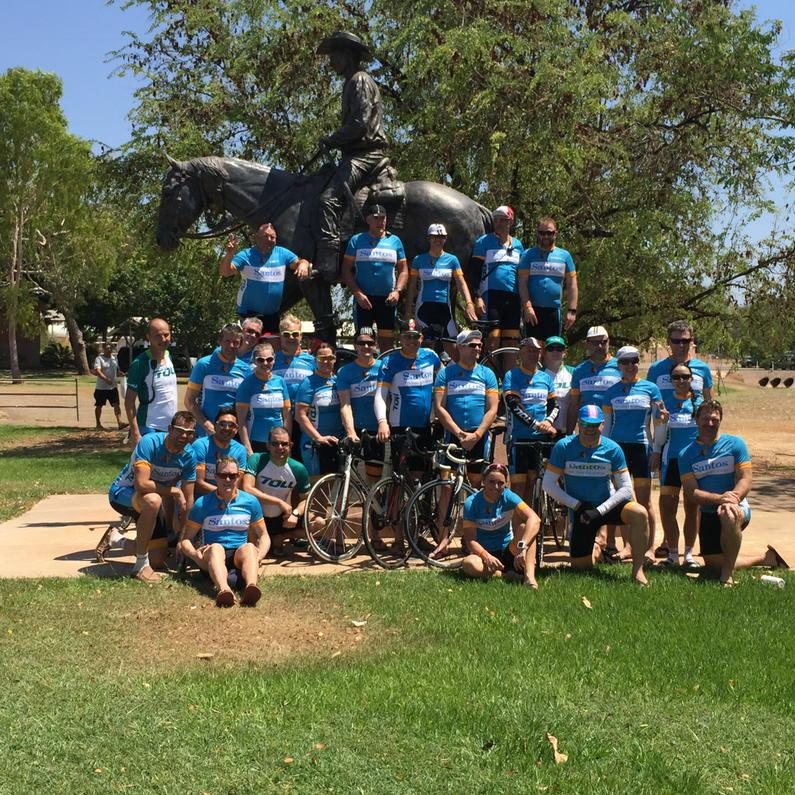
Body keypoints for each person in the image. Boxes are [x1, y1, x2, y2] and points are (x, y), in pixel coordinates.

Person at [679, 401, 788, 585]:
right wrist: (720, 499)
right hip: (708, 511)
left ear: (720, 420)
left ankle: (727, 576)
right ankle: (766, 558)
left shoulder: (735, 444)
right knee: (713, 566)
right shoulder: (685, 454)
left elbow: (746, 479)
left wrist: (732, 499)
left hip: (737, 505)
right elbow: (692, 492)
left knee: (728, 514)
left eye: (715, 419)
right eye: (705, 419)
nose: (710, 423)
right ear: (696, 420)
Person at [543, 405, 650, 585]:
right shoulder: (564, 447)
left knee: (640, 513)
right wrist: (577, 505)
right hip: (582, 512)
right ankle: (596, 549)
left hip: (607, 506)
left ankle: (638, 571)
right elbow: (548, 484)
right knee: (581, 570)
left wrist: (599, 510)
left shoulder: (613, 449)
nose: (589, 429)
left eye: (595, 425)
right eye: (585, 424)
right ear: (578, 424)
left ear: (602, 425)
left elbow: (626, 488)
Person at [315, 31, 389, 286]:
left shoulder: (359, 80)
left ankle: (327, 265)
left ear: (347, 56)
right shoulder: (351, 83)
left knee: (328, 199)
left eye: (334, 55)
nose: (331, 62)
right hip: (356, 153)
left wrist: (331, 139)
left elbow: (359, 124)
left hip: (365, 155)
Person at [97, 411, 197, 583]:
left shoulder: (189, 456)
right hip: (122, 493)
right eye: (180, 430)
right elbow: (141, 485)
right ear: (170, 429)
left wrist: (183, 540)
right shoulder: (149, 442)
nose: (184, 436)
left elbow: (189, 501)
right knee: (153, 500)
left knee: (157, 560)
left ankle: (115, 538)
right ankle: (141, 566)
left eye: (189, 433)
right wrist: (174, 491)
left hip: (152, 503)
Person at [601, 345, 664, 563]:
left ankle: (649, 548)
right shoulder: (611, 392)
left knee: (645, 501)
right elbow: (606, 426)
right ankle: (622, 546)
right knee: (619, 499)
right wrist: (606, 452)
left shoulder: (651, 388)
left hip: (642, 448)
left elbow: (659, 422)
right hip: (617, 450)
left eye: (634, 361)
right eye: (625, 362)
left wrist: (657, 450)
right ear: (618, 365)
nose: (630, 366)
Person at [180, 456, 268, 607]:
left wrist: (259, 555)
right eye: (223, 475)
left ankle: (251, 587)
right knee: (216, 548)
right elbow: (186, 539)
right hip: (213, 556)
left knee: (249, 547)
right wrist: (195, 555)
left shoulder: (250, 502)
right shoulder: (202, 503)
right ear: (215, 477)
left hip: (239, 556)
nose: (227, 479)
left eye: (232, 476)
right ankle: (224, 591)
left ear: (238, 477)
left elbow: (264, 535)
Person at [650, 362, 702, 568]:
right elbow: (660, 437)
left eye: (685, 377)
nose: (681, 381)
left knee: (692, 506)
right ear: (670, 381)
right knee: (667, 505)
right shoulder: (665, 404)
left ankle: (688, 555)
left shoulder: (700, 404)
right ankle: (672, 555)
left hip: (693, 462)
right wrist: (663, 423)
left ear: (691, 379)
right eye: (676, 377)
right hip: (670, 460)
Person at [375, 318, 442, 475]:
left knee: (421, 475)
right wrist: (382, 422)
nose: (411, 340)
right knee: (401, 476)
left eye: (415, 336)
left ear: (421, 338)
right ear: (400, 338)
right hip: (400, 426)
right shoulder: (390, 362)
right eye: (407, 336)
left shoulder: (431, 356)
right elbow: (380, 396)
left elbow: (444, 383)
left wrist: (440, 411)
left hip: (424, 426)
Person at [433, 329, 499, 486]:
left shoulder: (487, 374)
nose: (477, 348)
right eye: (472, 345)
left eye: (479, 345)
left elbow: (493, 409)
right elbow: (439, 407)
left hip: (478, 435)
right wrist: (459, 434)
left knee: (475, 484)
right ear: (460, 347)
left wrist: (476, 435)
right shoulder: (445, 374)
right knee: (447, 485)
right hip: (453, 435)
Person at [461, 463, 542, 589]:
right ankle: (502, 574)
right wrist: (486, 556)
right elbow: (470, 541)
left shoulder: (508, 496)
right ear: (483, 482)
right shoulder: (471, 503)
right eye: (491, 482)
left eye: (500, 483)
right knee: (468, 564)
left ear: (506, 484)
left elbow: (535, 519)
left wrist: (522, 547)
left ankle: (529, 578)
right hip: (484, 554)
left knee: (526, 529)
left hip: (508, 550)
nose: (496, 487)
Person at [219, 225, 310, 335]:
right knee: (251, 344)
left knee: (272, 345)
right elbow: (225, 272)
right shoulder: (246, 255)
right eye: (265, 236)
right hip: (249, 315)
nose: (269, 240)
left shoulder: (282, 253)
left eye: (272, 237)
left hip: (272, 315)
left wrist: (304, 264)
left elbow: (299, 262)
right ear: (257, 238)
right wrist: (229, 254)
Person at [341, 205, 408, 351]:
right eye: (376, 218)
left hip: (387, 300)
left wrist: (397, 291)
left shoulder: (395, 241)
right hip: (364, 300)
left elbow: (404, 270)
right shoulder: (357, 240)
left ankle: (385, 365)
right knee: (364, 341)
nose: (380, 222)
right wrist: (357, 294)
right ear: (368, 220)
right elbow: (346, 270)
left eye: (383, 218)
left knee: (387, 343)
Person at [406, 223, 477, 357]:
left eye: (442, 237)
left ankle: (458, 370)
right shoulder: (419, 260)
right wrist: (408, 312)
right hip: (424, 308)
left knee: (452, 346)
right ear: (429, 238)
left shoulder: (452, 260)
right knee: (427, 346)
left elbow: (461, 283)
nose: (438, 240)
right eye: (435, 237)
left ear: (445, 239)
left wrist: (469, 303)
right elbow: (411, 287)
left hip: (444, 308)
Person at [243, 425, 314, 556]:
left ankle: (280, 538)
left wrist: (296, 514)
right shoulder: (257, 459)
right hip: (257, 519)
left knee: (319, 523)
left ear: (290, 446)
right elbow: (247, 488)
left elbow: (306, 499)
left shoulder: (298, 468)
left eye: (284, 444)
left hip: (281, 520)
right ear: (268, 445)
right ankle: (256, 549)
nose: (280, 447)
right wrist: (279, 502)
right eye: (275, 444)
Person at [502, 336, 558, 502]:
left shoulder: (546, 378)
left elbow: (554, 406)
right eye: (529, 350)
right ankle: (516, 519)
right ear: (520, 352)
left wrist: (548, 422)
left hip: (540, 439)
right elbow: (513, 405)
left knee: (532, 483)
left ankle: (531, 517)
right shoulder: (512, 375)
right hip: (518, 438)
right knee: (518, 486)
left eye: (536, 351)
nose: (533, 354)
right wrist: (536, 425)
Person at [471, 206, 524, 354]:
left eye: (503, 220)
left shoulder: (518, 245)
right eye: (496, 220)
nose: (498, 223)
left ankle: (508, 370)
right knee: (492, 340)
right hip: (491, 296)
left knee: (511, 342)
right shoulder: (483, 242)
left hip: (513, 297)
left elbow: (522, 274)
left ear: (510, 222)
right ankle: (489, 369)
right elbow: (474, 272)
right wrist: (477, 297)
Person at [337, 325, 384, 482]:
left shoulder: (383, 368)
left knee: (374, 480)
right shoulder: (345, 372)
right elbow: (345, 404)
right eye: (361, 343)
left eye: (370, 343)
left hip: (377, 430)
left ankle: (373, 499)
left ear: (375, 345)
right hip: (355, 430)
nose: (366, 346)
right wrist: (351, 432)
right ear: (355, 345)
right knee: (347, 479)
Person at [185, 323, 249, 438]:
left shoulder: (245, 369)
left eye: (235, 342)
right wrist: (206, 424)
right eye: (227, 341)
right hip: (206, 432)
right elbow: (189, 401)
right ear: (219, 341)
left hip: (232, 432)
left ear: (240, 344)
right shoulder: (203, 364)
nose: (231, 345)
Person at [518, 217, 578, 340]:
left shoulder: (565, 256)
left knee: (553, 348)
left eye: (549, 233)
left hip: (554, 310)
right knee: (532, 347)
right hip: (533, 310)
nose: (545, 236)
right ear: (537, 233)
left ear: (555, 234)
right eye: (542, 233)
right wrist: (527, 307)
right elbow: (522, 284)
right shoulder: (528, 255)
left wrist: (572, 310)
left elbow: (572, 284)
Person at [125, 318, 178, 446]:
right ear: (148, 337)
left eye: (166, 334)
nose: (163, 339)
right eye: (158, 336)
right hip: (148, 427)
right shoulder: (140, 363)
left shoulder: (168, 356)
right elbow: (129, 401)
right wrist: (135, 433)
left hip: (170, 427)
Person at [295, 342, 344, 479]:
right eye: (322, 358)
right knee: (317, 484)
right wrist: (318, 438)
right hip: (315, 443)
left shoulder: (338, 381)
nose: (326, 361)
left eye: (330, 358)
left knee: (335, 483)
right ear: (315, 360)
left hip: (336, 440)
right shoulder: (308, 383)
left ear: (335, 359)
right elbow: (300, 415)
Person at [272, 314, 317, 459]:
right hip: (280, 418)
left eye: (295, 334)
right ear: (280, 337)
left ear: (301, 336)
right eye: (286, 334)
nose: (291, 337)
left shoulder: (312, 361)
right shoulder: (272, 360)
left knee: (304, 461)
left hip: (306, 419)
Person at [236, 342, 291, 455]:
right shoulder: (247, 384)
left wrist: (287, 443)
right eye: (260, 360)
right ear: (254, 361)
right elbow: (241, 421)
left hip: (278, 443)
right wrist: (248, 448)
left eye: (269, 359)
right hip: (256, 442)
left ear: (274, 359)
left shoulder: (280, 381)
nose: (265, 363)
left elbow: (287, 415)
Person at [565, 325, 621, 433]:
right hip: (587, 428)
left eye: (603, 342)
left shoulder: (620, 366)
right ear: (587, 344)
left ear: (609, 342)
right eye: (595, 343)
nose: (599, 346)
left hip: (614, 429)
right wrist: (569, 433)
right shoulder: (579, 371)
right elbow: (574, 405)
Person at [647, 320, 714, 403]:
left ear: (691, 340)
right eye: (676, 341)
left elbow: (709, 403)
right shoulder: (656, 368)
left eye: (685, 341)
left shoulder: (703, 368)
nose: (681, 345)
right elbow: (649, 401)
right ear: (668, 341)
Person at [191, 407, 248, 495]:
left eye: (231, 425)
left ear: (236, 429)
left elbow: (235, 485)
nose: (227, 428)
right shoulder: (200, 445)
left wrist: (224, 494)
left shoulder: (241, 450)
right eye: (222, 424)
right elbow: (199, 483)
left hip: (228, 497)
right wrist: (223, 493)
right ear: (215, 426)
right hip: (203, 498)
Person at [540, 335, 574, 438]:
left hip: (567, 432)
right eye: (551, 348)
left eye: (559, 348)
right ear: (544, 352)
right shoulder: (537, 374)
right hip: (543, 431)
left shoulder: (574, 372)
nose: (555, 351)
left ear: (565, 352)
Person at [93, 342, 126, 431]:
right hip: (101, 388)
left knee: (116, 404)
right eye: (107, 348)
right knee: (99, 405)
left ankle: (120, 423)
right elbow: (97, 371)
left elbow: (116, 371)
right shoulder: (99, 359)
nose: (109, 349)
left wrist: (121, 374)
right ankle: (98, 424)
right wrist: (106, 379)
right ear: (103, 349)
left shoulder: (114, 359)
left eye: (110, 348)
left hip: (113, 387)